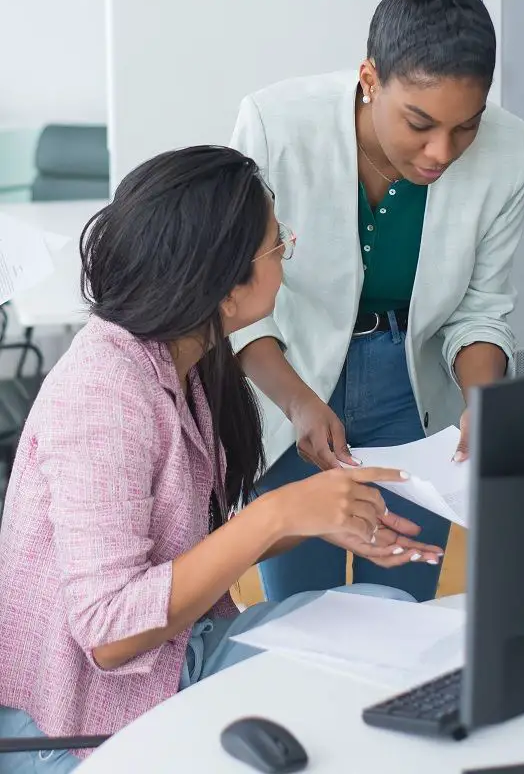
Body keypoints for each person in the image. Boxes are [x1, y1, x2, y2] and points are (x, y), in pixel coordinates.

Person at [0, 146, 443, 772]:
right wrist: (277, 516)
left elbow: (183, 559)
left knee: (391, 619)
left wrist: (310, 518)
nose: (286, 257)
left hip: (172, 662)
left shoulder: (182, 361)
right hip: (79, 727)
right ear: (223, 287)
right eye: (275, 245)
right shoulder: (104, 394)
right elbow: (108, 633)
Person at [229, 0, 524, 603]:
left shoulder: (510, 149)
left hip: (414, 390)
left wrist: (487, 402)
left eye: (466, 126)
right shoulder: (276, 125)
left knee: (403, 600)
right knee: (298, 610)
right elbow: (233, 300)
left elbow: (481, 309)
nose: (441, 151)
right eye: (419, 122)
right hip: (292, 377)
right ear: (369, 77)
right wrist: (298, 402)